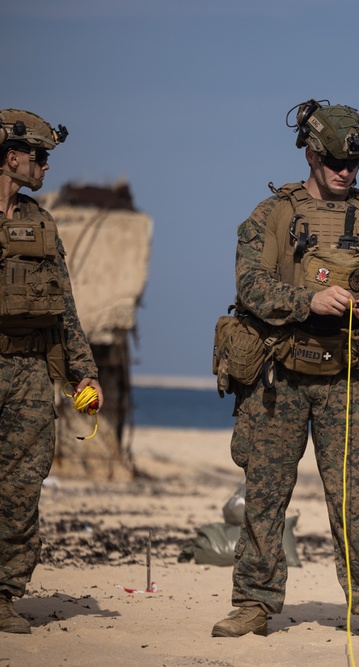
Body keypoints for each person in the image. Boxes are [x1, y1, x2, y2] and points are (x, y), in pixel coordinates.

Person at [211, 100, 359, 644]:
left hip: (349, 382)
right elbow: (250, 287)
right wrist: (308, 301)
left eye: (353, 164)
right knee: (265, 494)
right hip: (279, 377)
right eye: (334, 161)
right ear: (311, 152)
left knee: (357, 499)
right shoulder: (271, 215)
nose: (344, 172)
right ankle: (254, 603)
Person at [1, 109, 104, 634]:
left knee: (21, 484)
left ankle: (2, 594)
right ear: (11, 157)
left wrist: (82, 373)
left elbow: (64, 307)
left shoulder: (40, 222)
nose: (45, 166)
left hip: (27, 371)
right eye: (39, 156)